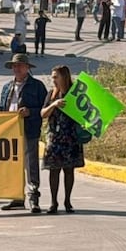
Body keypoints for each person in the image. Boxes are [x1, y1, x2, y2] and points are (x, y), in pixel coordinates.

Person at [0, 53, 48, 214]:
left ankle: (33, 198)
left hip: (29, 130)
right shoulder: (7, 87)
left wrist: (30, 112)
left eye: (19, 66)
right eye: (14, 66)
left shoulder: (37, 86)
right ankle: (17, 198)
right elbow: (1, 109)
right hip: (11, 133)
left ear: (27, 68)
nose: (16, 68)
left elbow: (45, 109)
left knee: (30, 165)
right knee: (13, 166)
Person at [41, 65, 86, 214]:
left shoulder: (75, 94)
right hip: (55, 136)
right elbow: (43, 114)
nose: (53, 80)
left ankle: (67, 200)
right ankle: (54, 202)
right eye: (52, 77)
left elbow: (85, 113)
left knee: (69, 170)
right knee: (54, 170)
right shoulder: (52, 95)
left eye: (56, 77)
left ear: (64, 77)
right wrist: (54, 104)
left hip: (70, 136)